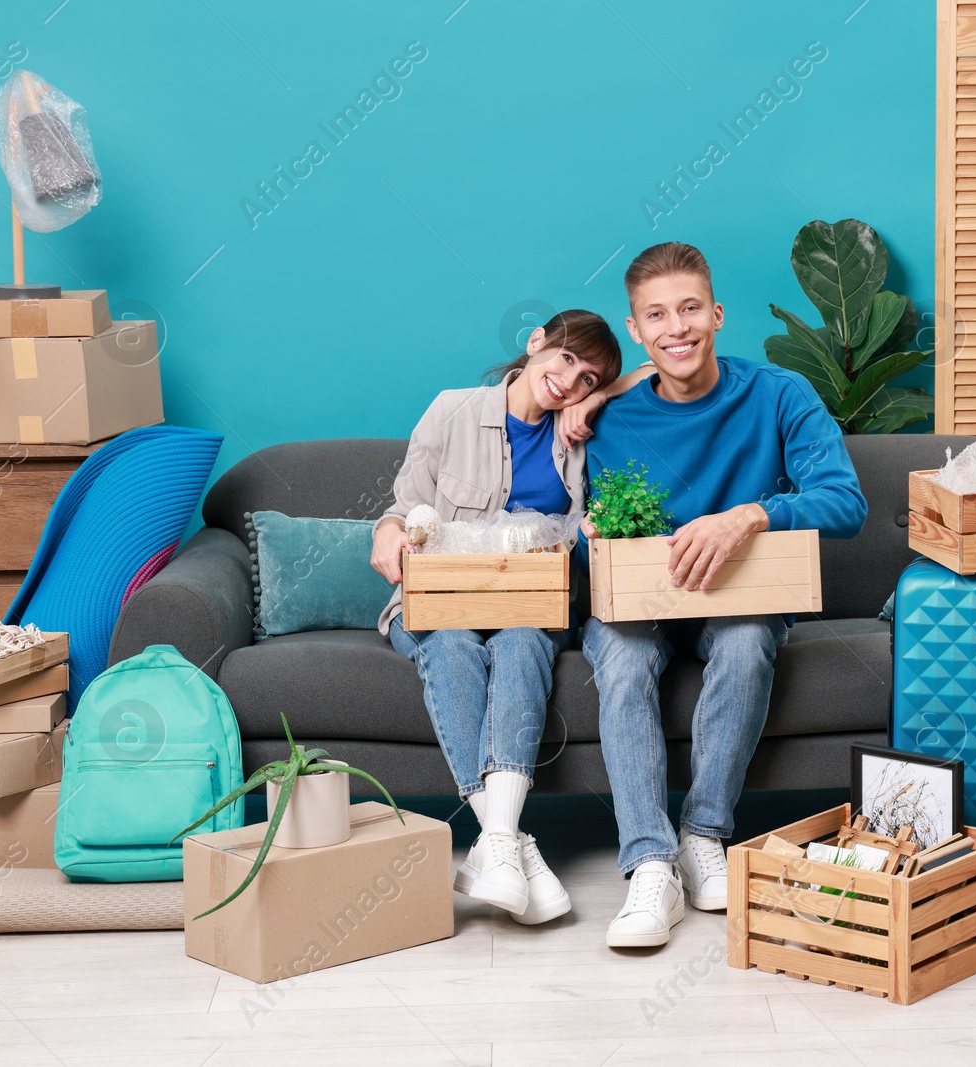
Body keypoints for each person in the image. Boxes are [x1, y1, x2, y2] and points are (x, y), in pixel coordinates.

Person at [579, 242, 868, 948]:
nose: (675, 328)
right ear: (638, 332)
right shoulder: (608, 420)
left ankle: (703, 831)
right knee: (618, 657)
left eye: (688, 309)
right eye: (656, 315)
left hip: (738, 596)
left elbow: (846, 501)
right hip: (638, 605)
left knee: (745, 640)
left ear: (716, 314)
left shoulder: (778, 394)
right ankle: (650, 864)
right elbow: (593, 537)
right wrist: (595, 535)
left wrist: (750, 514)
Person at [372, 309, 622, 924]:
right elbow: (406, 505)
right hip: (439, 601)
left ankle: (496, 847)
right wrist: (387, 529)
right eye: (566, 359)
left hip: (530, 603)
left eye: (588, 377)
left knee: (521, 642)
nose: (570, 381)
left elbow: (653, 372)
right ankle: (509, 843)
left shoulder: (581, 437)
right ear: (535, 342)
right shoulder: (453, 409)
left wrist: (598, 399)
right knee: (452, 643)